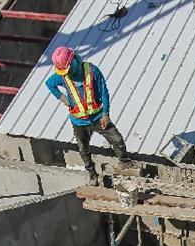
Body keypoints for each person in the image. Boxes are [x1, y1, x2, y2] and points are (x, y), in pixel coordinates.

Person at [45, 46, 132, 186]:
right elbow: (49, 84)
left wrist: (106, 114)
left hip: (98, 117)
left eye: (68, 69)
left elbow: (104, 91)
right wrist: (62, 98)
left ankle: (125, 163)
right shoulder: (61, 76)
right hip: (79, 121)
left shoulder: (92, 71)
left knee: (117, 140)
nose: (67, 73)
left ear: (73, 60)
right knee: (83, 149)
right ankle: (92, 174)